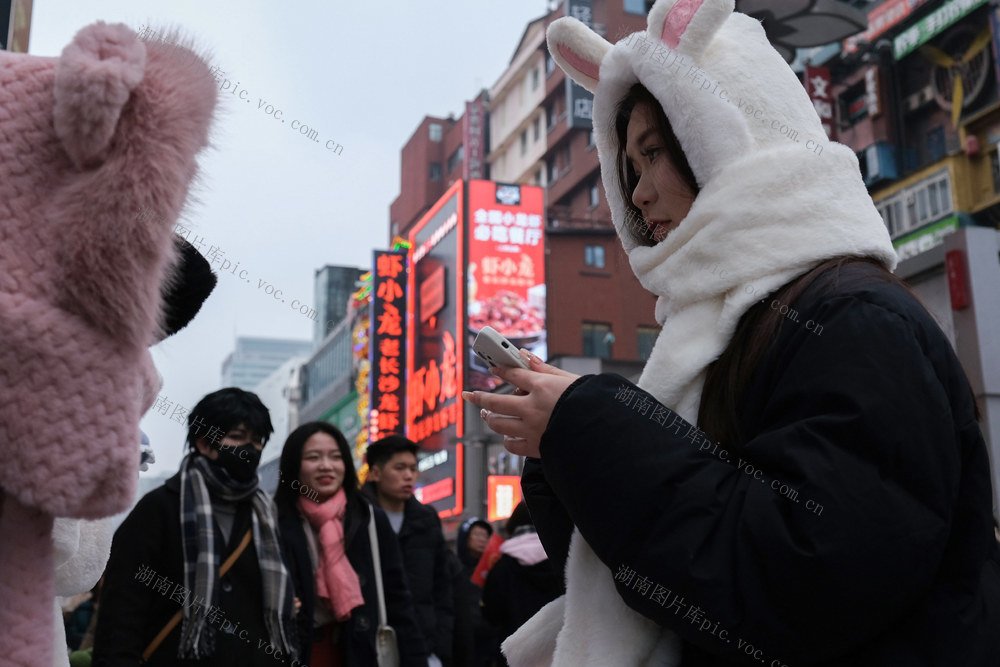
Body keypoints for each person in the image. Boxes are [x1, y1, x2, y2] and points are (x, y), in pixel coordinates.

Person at [463, 1, 1000, 665]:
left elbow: (795, 577)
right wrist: (566, 451)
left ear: (729, 133)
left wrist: (589, 430)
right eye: (627, 168)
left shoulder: (854, 322)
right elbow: (663, 573)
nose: (637, 196)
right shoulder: (736, 327)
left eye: (654, 154)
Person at [93, 388, 299, 666]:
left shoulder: (266, 515)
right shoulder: (159, 509)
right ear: (204, 443)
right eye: (237, 438)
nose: (249, 450)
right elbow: (122, 611)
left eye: (257, 441)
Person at [275, 422, 429, 666]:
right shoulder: (275, 521)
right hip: (301, 650)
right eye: (313, 457)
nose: (326, 466)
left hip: (359, 651)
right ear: (294, 465)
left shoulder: (369, 518)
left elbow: (398, 601)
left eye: (335, 457)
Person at [363, 436, 454, 667]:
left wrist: (440, 639)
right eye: (399, 468)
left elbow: (442, 585)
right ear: (375, 473)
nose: (408, 476)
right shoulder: (359, 518)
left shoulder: (426, 519)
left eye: (413, 468)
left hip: (425, 645)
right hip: (373, 642)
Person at [481, 503, 564, 666]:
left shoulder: (502, 567)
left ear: (512, 526)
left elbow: (491, 615)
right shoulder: (562, 562)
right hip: (557, 653)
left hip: (513, 657)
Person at [451, 518, 498, 667]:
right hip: (462, 640)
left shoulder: (495, 569)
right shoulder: (454, 568)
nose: (482, 539)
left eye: (486, 536)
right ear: (465, 537)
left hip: (490, 641)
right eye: (477, 534)